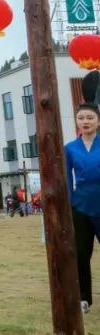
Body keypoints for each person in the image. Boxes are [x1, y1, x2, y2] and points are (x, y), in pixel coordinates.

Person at [66, 88, 100, 314]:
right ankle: (84, 298)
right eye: (81, 118)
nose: (85, 121)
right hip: (80, 206)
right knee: (80, 253)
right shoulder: (70, 148)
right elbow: (67, 179)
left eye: (90, 117)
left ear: (98, 121)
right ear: (77, 121)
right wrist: (69, 205)